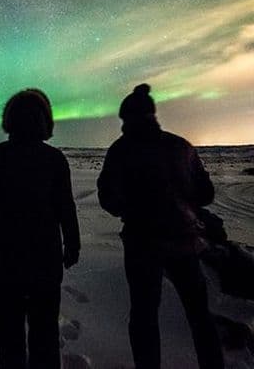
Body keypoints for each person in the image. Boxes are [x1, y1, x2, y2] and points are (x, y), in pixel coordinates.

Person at [97, 84, 224, 369]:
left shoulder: (120, 150)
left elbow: (108, 199)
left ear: (127, 118)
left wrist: (130, 208)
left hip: (142, 246)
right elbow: (206, 193)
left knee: (144, 317)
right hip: (185, 242)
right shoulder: (180, 146)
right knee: (199, 316)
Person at [0, 88, 81, 369]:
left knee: (9, 325)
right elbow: (66, 207)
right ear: (44, 120)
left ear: (10, 119)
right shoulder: (54, 159)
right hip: (45, 255)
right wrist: (72, 242)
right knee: (44, 327)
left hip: (9, 255)